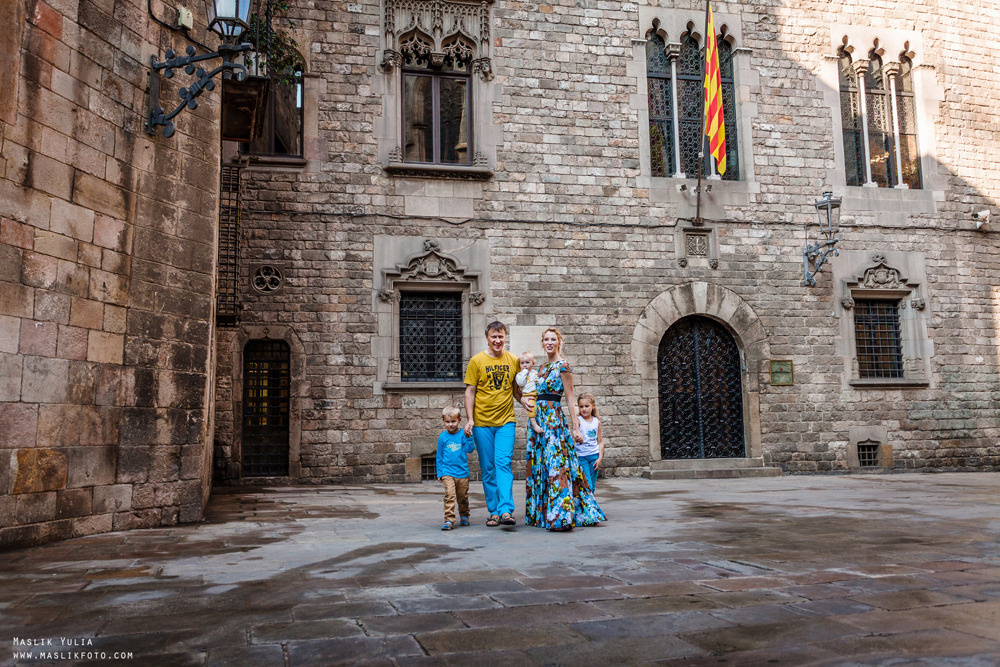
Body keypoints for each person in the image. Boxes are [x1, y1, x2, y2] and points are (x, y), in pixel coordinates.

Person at [525, 328, 605, 531]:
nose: (549, 342)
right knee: (541, 465)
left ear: (559, 342)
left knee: (557, 465)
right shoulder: (541, 367)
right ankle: (543, 513)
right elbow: (530, 391)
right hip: (538, 421)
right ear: (542, 342)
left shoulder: (564, 366)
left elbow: (570, 398)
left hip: (554, 421)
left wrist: (575, 427)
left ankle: (561, 515)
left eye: (553, 339)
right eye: (546, 339)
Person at [464, 321, 526, 527]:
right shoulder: (476, 361)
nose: (497, 340)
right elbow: (470, 391)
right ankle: (494, 511)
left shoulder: (513, 360)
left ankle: (506, 510)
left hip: (506, 421)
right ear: (488, 338)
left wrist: (524, 400)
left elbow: (516, 389)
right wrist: (470, 419)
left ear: (505, 337)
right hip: (482, 423)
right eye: (494, 337)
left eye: (501, 337)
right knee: (488, 467)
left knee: (503, 463)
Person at [437, 406, 477, 530]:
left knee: (462, 496)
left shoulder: (463, 434)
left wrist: (469, 437)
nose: (450, 424)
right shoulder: (443, 437)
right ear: (443, 421)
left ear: (459, 420)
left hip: (462, 472)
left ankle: (464, 515)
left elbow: (470, 450)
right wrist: (440, 472)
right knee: (449, 495)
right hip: (447, 471)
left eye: (453, 421)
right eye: (447, 422)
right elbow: (439, 455)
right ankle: (449, 519)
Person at [576, 393, 603, 494]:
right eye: (581, 406)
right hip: (582, 457)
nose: (584, 409)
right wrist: (577, 436)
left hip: (594, 457)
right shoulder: (578, 421)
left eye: (587, 406)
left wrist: (600, 458)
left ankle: (590, 506)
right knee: (587, 484)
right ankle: (587, 506)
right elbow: (573, 435)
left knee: (592, 484)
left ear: (593, 406)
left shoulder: (597, 422)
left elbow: (600, 441)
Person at [515, 352, 544, 435]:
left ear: (533, 363)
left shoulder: (535, 373)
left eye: (527, 363)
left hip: (537, 394)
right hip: (528, 395)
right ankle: (534, 424)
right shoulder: (519, 375)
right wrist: (524, 372)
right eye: (522, 363)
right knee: (532, 408)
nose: (525, 365)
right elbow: (521, 383)